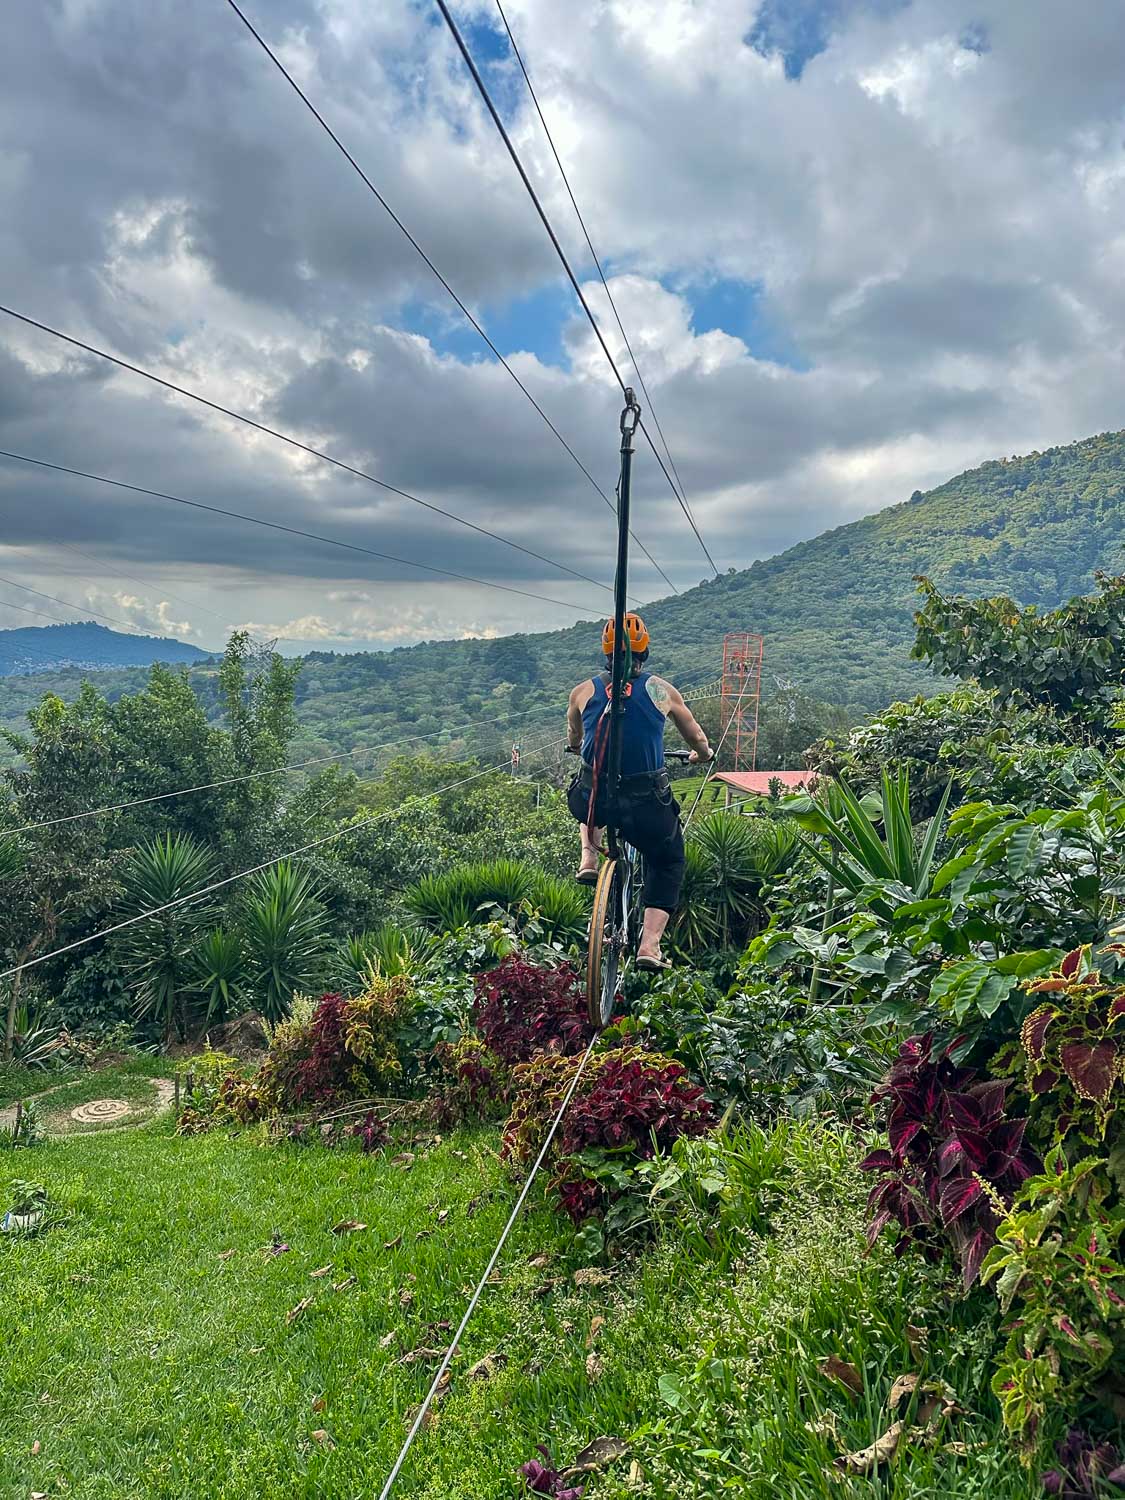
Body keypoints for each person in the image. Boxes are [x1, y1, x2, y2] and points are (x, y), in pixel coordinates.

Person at [565, 613, 712, 971]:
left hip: (596, 796)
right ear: (644, 652)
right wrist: (703, 755)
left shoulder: (583, 691)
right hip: (646, 804)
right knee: (668, 859)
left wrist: (578, 745)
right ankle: (649, 945)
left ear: (605, 653)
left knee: (588, 794)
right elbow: (697, 738)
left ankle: (589, 857)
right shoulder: (662, 691)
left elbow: (573, 737)